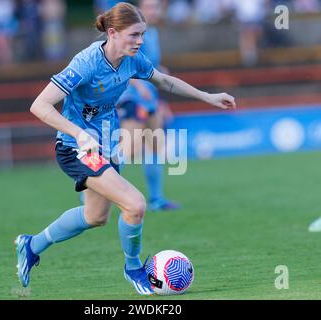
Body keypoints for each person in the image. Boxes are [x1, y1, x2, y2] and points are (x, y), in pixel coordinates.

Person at [15, 2, 236, 295]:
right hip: (76, 148)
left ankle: (32, 244)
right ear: (112, 33)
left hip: (107, 144)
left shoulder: (134, 59)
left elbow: (165, 82)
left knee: (95, 217)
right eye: (134, 35)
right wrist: (79, 134)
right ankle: (133, 268)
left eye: (142, 34)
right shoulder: (86, 62)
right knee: (135, 204)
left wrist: (207, 97)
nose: (140, 41)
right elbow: (39, 105)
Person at [117, 0, 179, 212]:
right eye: (149, 6)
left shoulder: (152, 33)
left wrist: (161, 71)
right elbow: (123, 62)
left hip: (150, 98)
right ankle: (96, 191)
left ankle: (157, 199)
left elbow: (148, 66)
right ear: (140, 10)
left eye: (156, 6)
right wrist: (137, 84)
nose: (154, 11)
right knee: (128, 148)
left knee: (154, 146)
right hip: (132, 97)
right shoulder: (132, 32)